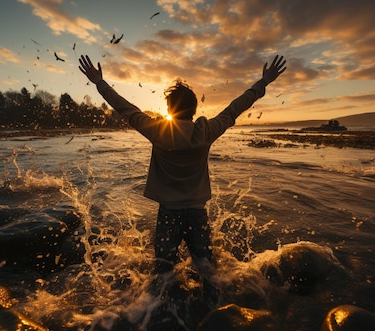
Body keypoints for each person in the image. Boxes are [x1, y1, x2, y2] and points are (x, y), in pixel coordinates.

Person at [78, 54, 286, 296]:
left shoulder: (158, 131)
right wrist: (263, 83)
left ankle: (163, 313)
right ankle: (212, 309)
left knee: (164, 271)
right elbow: (234, 109)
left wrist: (100, 83)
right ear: (195, 109)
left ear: (169, 109)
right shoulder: (205, 131)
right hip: (197, 213)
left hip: (168, 213)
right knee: (207, 268)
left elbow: (127, 109)